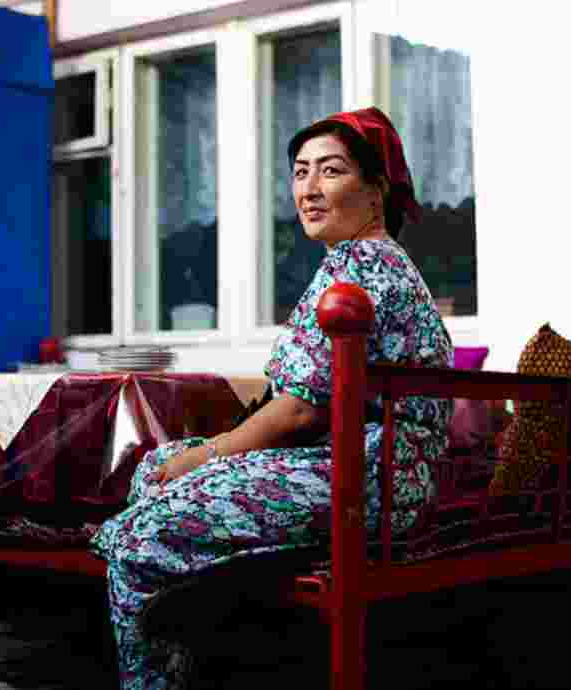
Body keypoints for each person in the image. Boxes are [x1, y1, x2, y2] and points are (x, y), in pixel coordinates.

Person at [89, 106, 454, 689]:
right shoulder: (351, 262)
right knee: (156, 468)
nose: (309, 189)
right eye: (301, 171)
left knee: (139, 537)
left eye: (331, 172)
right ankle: (204, 633)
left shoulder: (364, 268)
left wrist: (205, 457)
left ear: (377, 188)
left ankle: (161, 675)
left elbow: (299, 411)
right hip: (348, 462)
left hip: (370, 479)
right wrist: (193, 460)